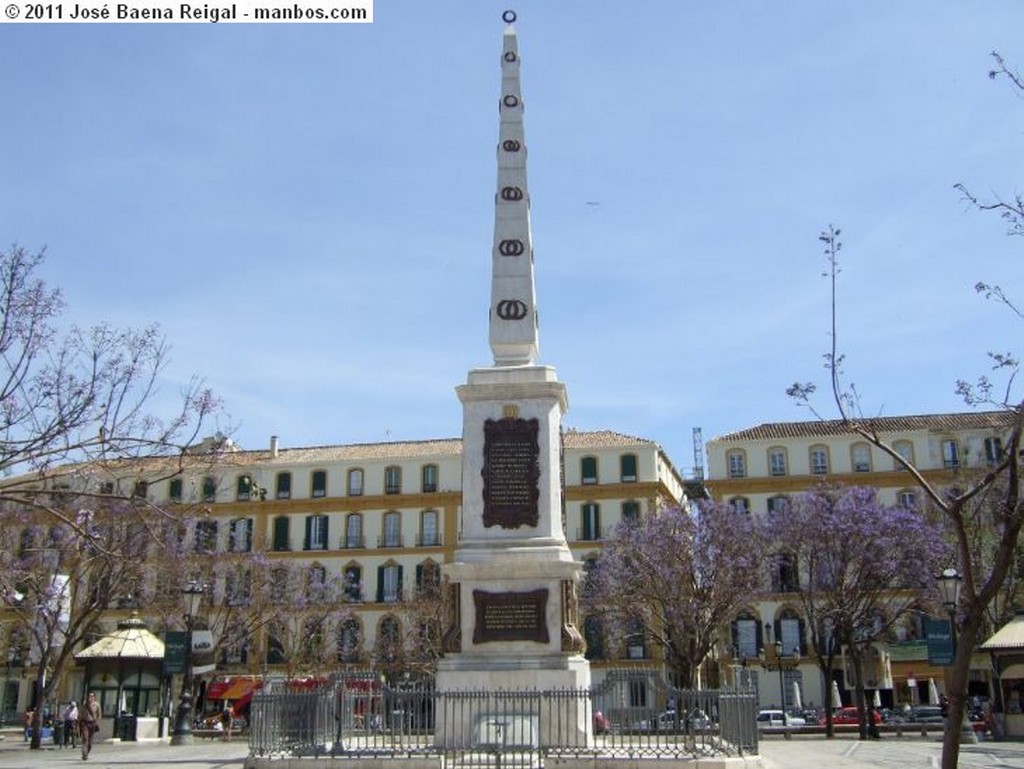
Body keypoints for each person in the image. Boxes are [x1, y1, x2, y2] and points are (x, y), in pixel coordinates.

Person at [78, 692, 101, 761]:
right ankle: (84, 754)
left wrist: (97, 721)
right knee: (85, 738)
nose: (90, 698)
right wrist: (79, 723)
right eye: (89, 696)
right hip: (85, 723)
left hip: (92, 723)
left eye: (91, 696)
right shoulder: (84, 705)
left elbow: (99, 714)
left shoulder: (97, 705)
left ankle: (86, 753)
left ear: (94, 697)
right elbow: (80, 714)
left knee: (90, 742)